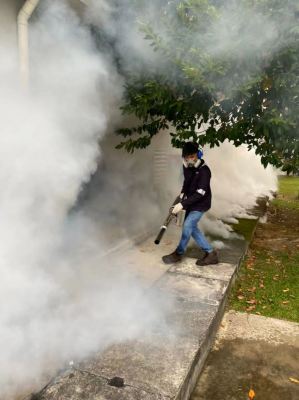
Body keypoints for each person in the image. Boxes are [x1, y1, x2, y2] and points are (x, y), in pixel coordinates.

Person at [162, 142, 219, 266]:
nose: (189, 160)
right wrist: (182, 194)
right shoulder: (186, 167)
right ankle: (210, 253)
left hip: (201, 204)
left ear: (198, 155)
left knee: (188, 226)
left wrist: (182, 205)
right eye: (187, 157)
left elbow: (200, 194)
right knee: (192, 228)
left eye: (192, 157)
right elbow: (187, 181)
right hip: (189, 202)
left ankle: (178, 253)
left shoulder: (205, 171)